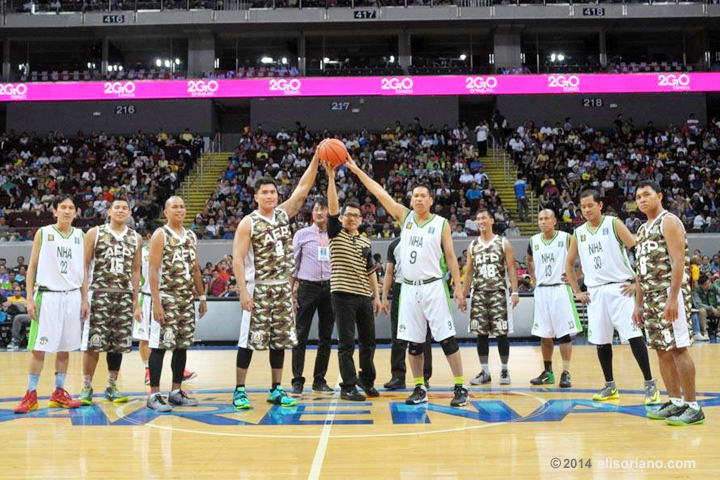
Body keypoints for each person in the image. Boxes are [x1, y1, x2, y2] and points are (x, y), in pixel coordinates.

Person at [343, 156, 469, 407]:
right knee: (413, 343)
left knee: (447, 340)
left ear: (431, 200)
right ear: (411, 200)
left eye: (424, 195)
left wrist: (459, 287)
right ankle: (419, 387)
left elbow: (452, 257)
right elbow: (379, 193)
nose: (419, 199)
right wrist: (357, 170)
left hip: (433, 286)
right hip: (409, 289)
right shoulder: (405, 217)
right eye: (415, 196)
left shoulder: (441, 223)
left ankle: (460, 386)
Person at [232, 152, 319, 410]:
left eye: (273, 192)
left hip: (281, 288)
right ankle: (239, 390)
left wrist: (315, 159)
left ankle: (276, 389)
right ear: (256, 196)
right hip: (257, 288)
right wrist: (243, 293)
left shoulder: (282, 215)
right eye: (265, 192)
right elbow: (237, 259)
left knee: (280, 340)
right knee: (248, 340)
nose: (270, 196)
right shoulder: (248, 222)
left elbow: (303, 189)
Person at [565, 189, 659, 404]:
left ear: (599, 205)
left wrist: (637, 283)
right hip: (595, 292)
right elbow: (569, 265)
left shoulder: (613, 223)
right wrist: (577, 291)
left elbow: (638, 249)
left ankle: (650, 385)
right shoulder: (578, 233)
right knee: (601, 341)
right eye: (583, 207)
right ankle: (610, 386)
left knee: (634, 336)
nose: (587, 210)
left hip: (620, 288)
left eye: (590, 205)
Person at [633, 180, 704, 425]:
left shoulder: (669, 221)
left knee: (678, 348)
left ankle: (693, 406)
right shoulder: (642, 230)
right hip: (651, 298)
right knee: (661, 350)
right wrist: (638, 304)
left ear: (659, 196)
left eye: (646, 194)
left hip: (669, 295)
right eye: (638, 196)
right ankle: (675, 402)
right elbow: (640, 272)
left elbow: (678, 262)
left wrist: (673, 297)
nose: (642, 199)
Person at [14, 195, 85, 414]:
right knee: (39, 348)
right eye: (62, 207)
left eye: (71, 208)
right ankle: (31, 394)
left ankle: (58, 392)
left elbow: (84, 272)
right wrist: (29, 297)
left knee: (64, 349)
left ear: (76, 212)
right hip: (48, 296)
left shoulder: (80, 236)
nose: (66, 211)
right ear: (54, 212)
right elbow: (32, 267)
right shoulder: (43, 233)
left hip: (72, 296)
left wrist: (85, 299)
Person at [325, 161, 382, 401]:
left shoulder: (366, 242)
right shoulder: (335, 233)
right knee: (347, 343)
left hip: (364, 297)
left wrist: (377, 297)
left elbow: (371, 272)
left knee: (369, 342)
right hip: (342, 295)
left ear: (361, 219)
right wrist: (330, 178)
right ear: (342, 218)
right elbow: (332, 207)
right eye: (347, 215)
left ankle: (366, 380)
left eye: (356, 216)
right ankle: (348, 386)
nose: (351, 218)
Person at [146, 196, 208, 412]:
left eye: (182, 206)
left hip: (185, 300)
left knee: (181, 346)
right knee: (160, 346)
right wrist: (156, 302)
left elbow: (195, 269)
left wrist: (201, 297)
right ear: (166, 212)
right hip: (167, 298)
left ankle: (175, 391)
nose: (179, 210)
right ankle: (154, 394)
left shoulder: (191, 236)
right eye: (175, 207)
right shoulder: (160, 234)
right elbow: (152, 269)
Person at [79, 197, 142, 405]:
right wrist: (84, 298)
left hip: (123, 295)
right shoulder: (95, 233)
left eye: (125, 208)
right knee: (92, 345)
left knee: (117, 346)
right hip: (99, 293)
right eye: (117, 207)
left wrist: (136, 300)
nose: (121, 211)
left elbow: (135, 270)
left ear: (130, 213)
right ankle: (86, 387)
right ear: (108, 211)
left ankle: (111, 386)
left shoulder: (135, 238)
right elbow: (85, 266)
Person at [133, 221, 198, 385]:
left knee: (172, 337)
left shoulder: (171, 248)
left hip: (164, 296)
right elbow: (135, 276)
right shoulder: (141, 254)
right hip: (146, 296)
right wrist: (137, 304)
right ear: (150, 236)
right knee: (146, 338)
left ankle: (179, 370)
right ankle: (148, 370)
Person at [526, 209, 581, 388]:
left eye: (546, 218)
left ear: (554, 220)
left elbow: (584, 257)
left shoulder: (566, 238)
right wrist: (534, 277)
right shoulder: (533, 240)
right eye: (540, 219)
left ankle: (566, 372)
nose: (543, 222)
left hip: (560, 289)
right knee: (544, 335)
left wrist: (576, 275)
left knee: (564, 335)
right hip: (542, 291)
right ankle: (548, 372)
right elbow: (528, 259)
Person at [464, 208, 519, 386]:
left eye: (484, 218)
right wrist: (463, 294)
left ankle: (504, 369)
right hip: (479, 294)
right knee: (481, 334)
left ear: (491, 220)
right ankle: (485, 371)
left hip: (498, 293)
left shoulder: (503, 243)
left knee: (501, 333)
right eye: (478, 219)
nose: (480, 221)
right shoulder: (472, 246)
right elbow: (469, 272)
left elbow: (511, 268)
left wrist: (515, 291)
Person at [290, 197, 335, 395]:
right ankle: (297, 380)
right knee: (300, 335)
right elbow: (292, 264)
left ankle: (319, 380)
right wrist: (290, 292)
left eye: (323, 209)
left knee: (326, 336)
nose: (319, 213)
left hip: (330, 289)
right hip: (307, 287)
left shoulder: (335, 235)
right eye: (316, 209)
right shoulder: (302, 234)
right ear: (312, 212)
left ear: (328, 212)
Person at [381, 237, 432, 390]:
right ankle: (398, 376)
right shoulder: (395, 244)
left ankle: (424, 376)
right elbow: (389, 272)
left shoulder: (425, 240)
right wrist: (384, 296)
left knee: (423, 335)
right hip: (400, 288)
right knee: (398, 334)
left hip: (422, 288)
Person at [693, 274, 719, 340]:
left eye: (709, 282)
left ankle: (719, 331)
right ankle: (705, 332)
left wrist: (713, 308)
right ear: (701, 285)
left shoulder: (713, 287)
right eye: (706, 284)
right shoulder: (696, 291)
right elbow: (698, 304)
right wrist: (710, 308)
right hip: (704, 309)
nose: (708, 285)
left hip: (714, 308)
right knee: (702, 311)